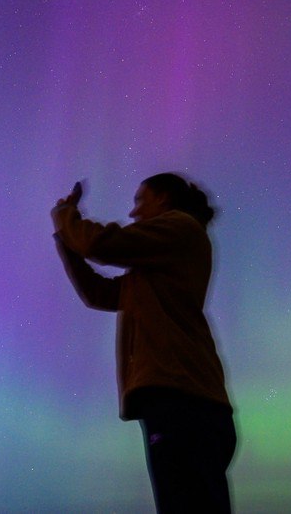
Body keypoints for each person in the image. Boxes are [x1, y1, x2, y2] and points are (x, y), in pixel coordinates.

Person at [51, 173, 236, 513]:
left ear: (164, 198)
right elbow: (98, 293)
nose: (134, 212)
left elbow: (100, 245)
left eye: (140, 200)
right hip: (179, 397)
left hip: (184, 397)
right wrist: (66, 239)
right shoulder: (153, 270)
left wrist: (66, 217)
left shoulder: (180, 227)